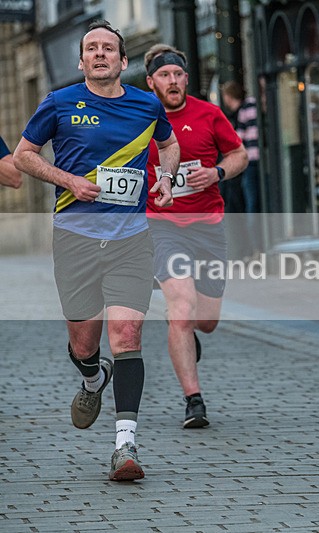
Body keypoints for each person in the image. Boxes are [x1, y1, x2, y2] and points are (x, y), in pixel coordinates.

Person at [13, 20, 179, 481]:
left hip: (130, 238)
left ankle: (125, 446)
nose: (100, 54)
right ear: (81, 60)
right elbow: (24, 155)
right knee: (83, 342)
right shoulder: (60, 103)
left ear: (124, 62)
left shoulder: (147, 105)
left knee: (126, 335)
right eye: (92, 48)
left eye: (109, 48)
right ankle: (92, 377)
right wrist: (70, 182)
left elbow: (169, 145)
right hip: (75, 238)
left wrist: (164, 179)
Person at [144, 44, 248, 428]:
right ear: (151, 81)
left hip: (207, 227)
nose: (172, 81)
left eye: (178, 74)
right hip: (162, 225)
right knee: (181, 308)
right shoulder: (140, 116)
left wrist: (217, 173)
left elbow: (239, 155)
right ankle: (194, 399)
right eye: (164, 75)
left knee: (206, 320)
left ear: (186, 78)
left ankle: (187, 333)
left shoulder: (209, 113)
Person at [221, 80, 262, 260]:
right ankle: (254, 248)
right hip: (250, 163)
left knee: (252, 205)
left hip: (252, 162)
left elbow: (238, 141)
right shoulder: (247, 108)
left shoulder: (247, 109)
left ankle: (257, 248)